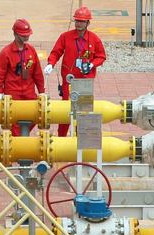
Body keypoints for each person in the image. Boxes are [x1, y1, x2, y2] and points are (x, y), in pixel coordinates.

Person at [44, 6, 107, 137]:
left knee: (83, 111)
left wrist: (91, 64)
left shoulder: (94, 39)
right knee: (66, 110)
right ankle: (61, 137)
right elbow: (56, 52)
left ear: (88, 23)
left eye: (82, 21)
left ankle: (82, 139)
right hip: (69, 81)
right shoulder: (65, 37)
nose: (79, 24)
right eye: (77, 21)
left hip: (85, 81)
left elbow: (101, 56)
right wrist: (51, 63)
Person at [0, 19, 45, 136]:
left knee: (37, 114)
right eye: (23, 35)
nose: (26, 37)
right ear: (15, 34)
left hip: (29, 92)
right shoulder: (5, 53)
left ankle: (21, 139)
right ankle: (19, 145)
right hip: (13, 93)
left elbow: (37, 73)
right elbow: (0, 75)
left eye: (28, 34)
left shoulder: (31, 51)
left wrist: (42, 91)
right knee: (13, 121)